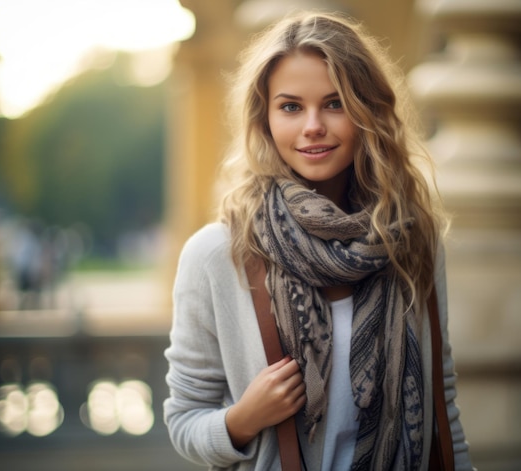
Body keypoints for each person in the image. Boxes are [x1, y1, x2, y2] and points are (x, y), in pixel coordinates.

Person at [164, 10, 474, 471]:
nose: (312, 125)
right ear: (264, 119)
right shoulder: (216, 254)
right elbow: (184, 420)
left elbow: (440, 401)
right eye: (290, 106)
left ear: (368, 112)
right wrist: (242, 420)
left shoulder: (412, 241)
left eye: (335, 103)